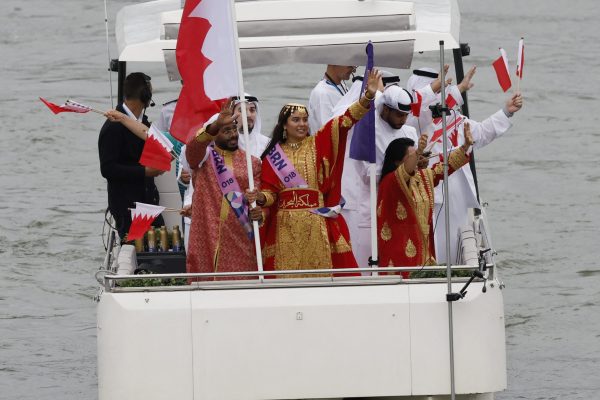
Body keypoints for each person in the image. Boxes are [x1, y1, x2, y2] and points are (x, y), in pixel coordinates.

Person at [249, 69, 381, 275]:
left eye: (304, 119)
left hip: (316, 222)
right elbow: (270, 194)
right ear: (284, 125)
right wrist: (260, 198)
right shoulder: (272, 155)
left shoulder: (317, 143)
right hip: (285, 226)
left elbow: (344, 122)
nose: (302, 124)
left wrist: (367, 98)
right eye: (296, 120)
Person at [406, 66, 523, 264]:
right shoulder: (412, 124)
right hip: (431, 197)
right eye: (436, 89)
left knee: (459, 246)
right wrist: (457, 89)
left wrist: (506, 112)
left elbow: (483, 133)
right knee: (434, 247)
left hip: (459, 196)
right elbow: (420, 109)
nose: (439, 94)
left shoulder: (455, 118)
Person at [177, 93, 268, 252]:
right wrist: (214, 125)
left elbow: (262, 199)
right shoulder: (203, 160)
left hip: (240, 237)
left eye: (234, 129)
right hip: (206, 234)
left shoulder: (252, 162)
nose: (233, 134)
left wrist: (259, 213)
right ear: (214, 135)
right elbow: (192, 151)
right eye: (226, 130)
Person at [377, 125, 473, 276]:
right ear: (397, 162)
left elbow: (445, 167)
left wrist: (466, 146)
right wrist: (419, 151)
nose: (419, 157)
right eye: (413, 155)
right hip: (399, 252)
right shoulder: (391, 181)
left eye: (418, 153)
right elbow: (405, 172)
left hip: (424, 249)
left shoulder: (422, 177)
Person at [98, 72, 164, 240]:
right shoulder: (113, 128)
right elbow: (107, 169)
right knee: (138, 254)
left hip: (149, 201)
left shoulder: (145, 124)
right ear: (145, 96)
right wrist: (145, 172)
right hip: (127, 207)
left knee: (162, 247)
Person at [308, 65, 356, 133]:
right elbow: (328, 130)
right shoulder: (322, 93)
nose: (354, 70)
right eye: (350, 65)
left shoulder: (342, 86)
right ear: (334, 62)